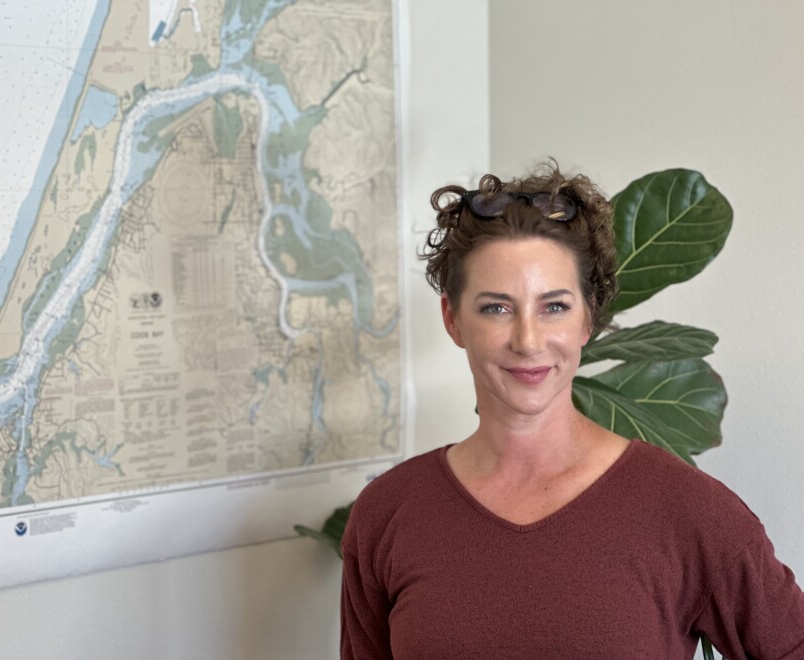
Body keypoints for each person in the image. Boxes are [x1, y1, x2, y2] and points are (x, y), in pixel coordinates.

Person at [340, 162, 804, 659]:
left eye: (554, 306)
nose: (528, 340)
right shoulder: (388, 512)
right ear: (454, 320)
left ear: (589, 319)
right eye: (496, 308)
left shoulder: (687, 511)